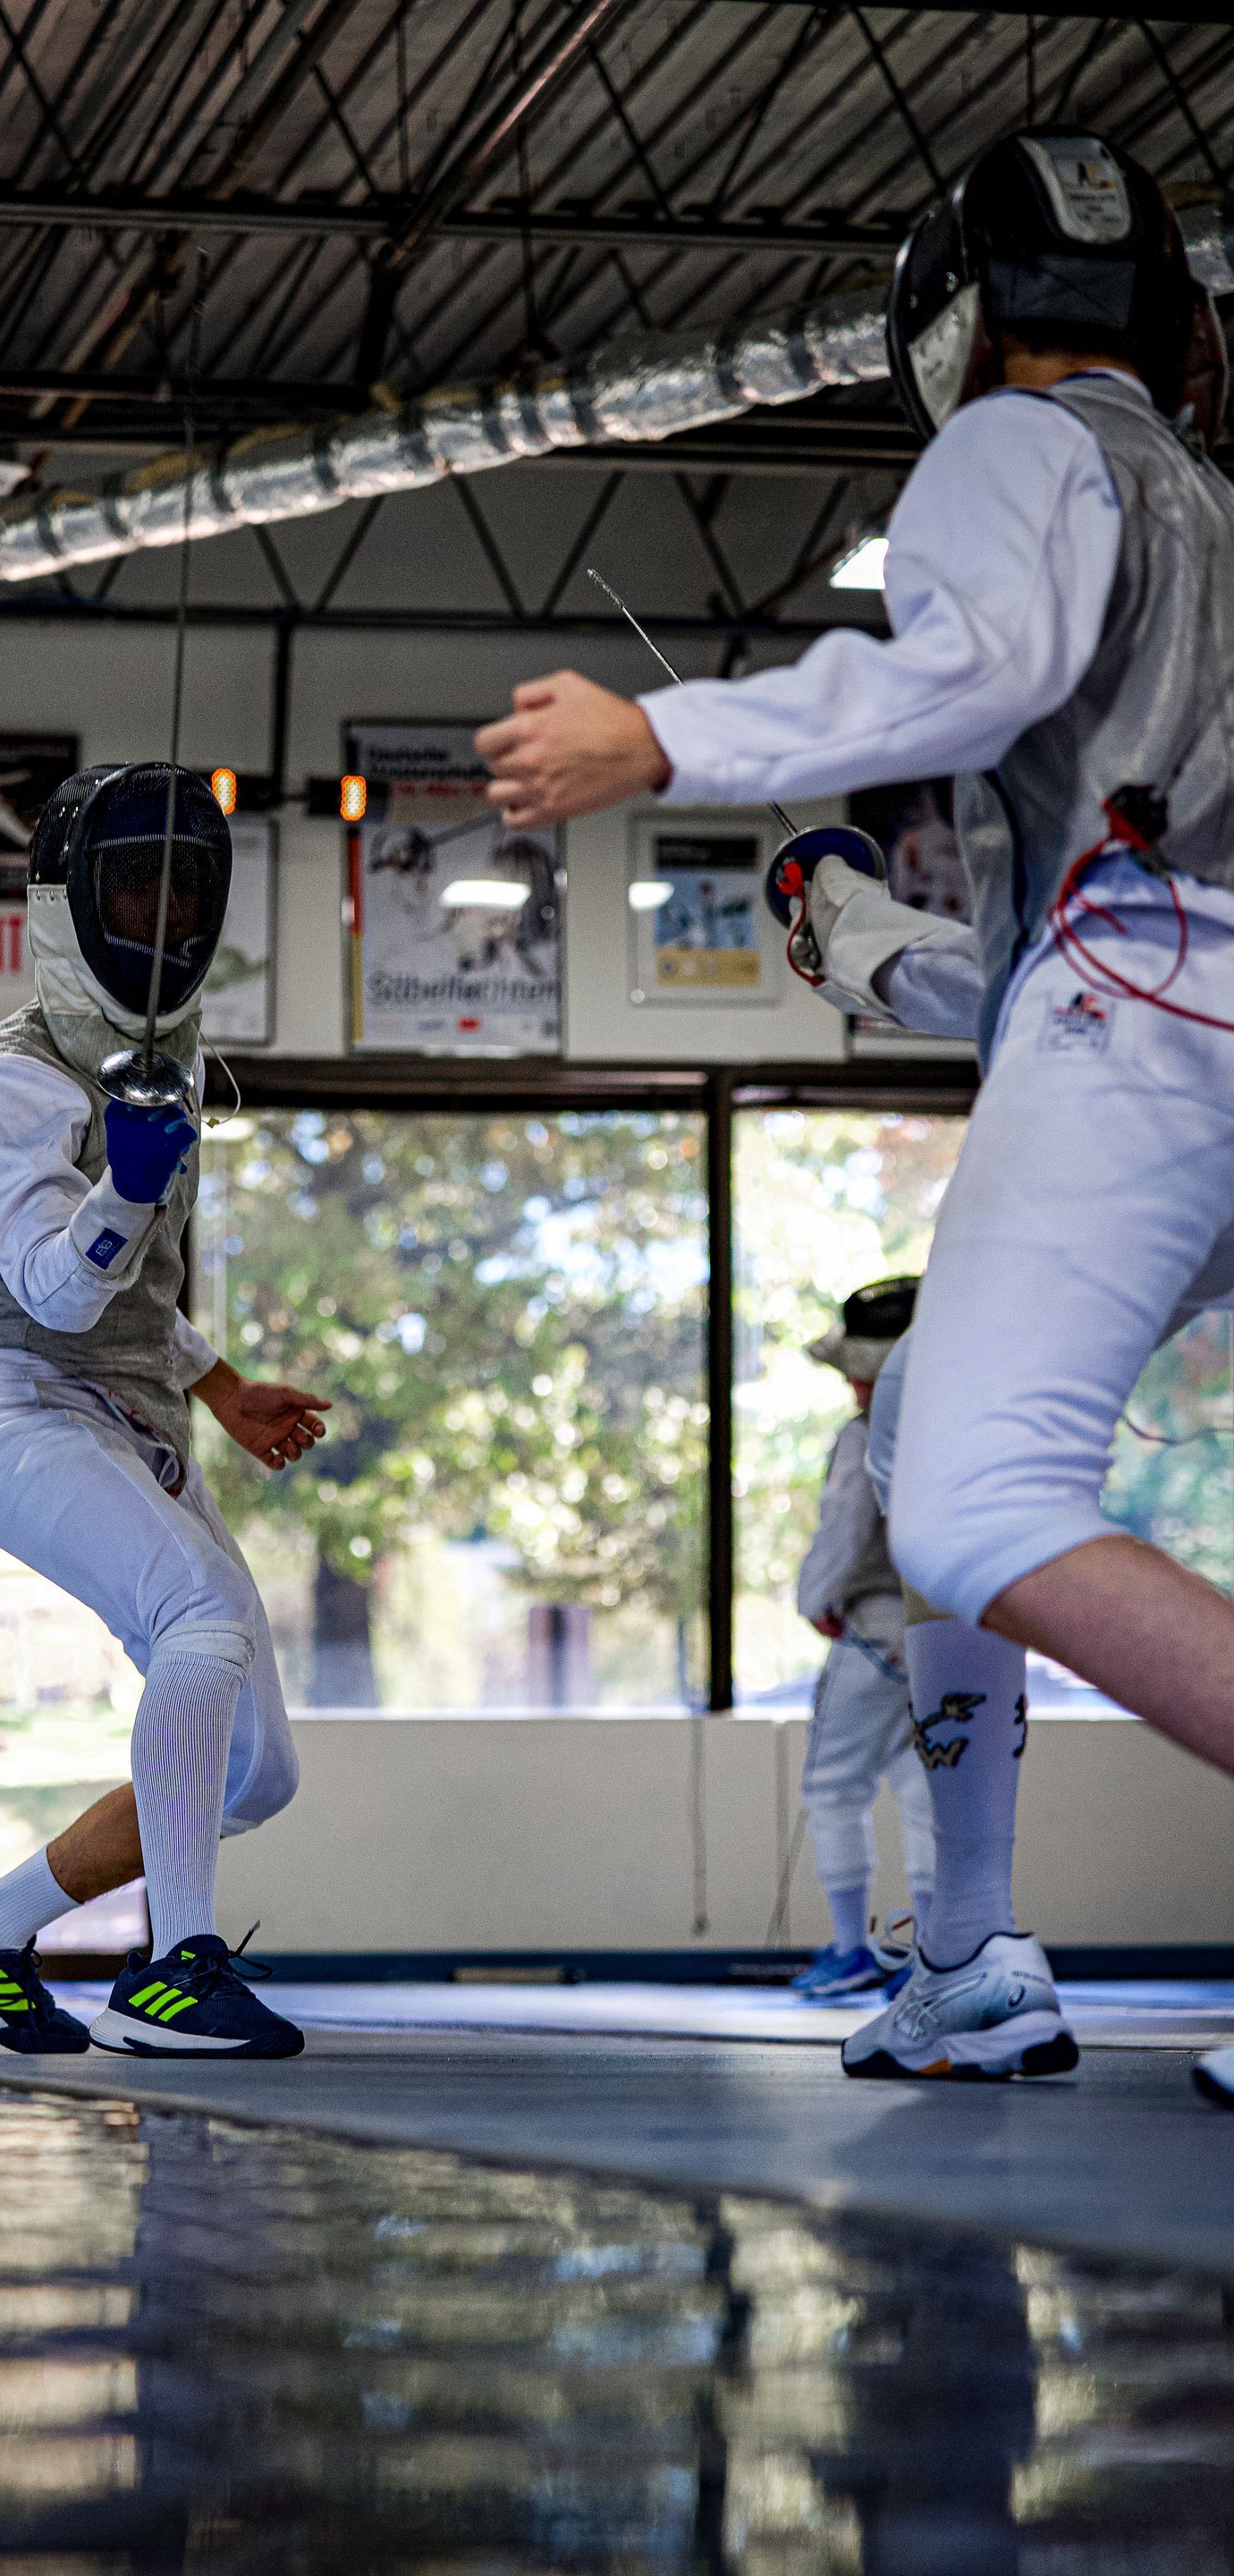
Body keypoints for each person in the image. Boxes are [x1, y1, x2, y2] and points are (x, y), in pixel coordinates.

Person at [476, 128, 1234, 2086]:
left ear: (960, 320)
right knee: (919, 1429)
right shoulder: (1211, 504)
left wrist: (666, 737)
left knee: (975, 1500)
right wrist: (877, 942)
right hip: (1166, 1011)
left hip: (1146, 1016)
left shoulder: (1017, 439)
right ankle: (966, 1951)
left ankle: (970, 1951)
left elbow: (983, 676)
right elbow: (1120, 925)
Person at [0, 762, 329, 2062]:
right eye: (138, 886)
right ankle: (171, 1973)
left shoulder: (165, 1060)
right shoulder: (5, 1082)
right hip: (23, 1412)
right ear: (68, 901)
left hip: (138, 1423)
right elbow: (54, 1292)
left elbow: (136, 1299)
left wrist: (224, 1389)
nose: (166, 913)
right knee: (200, 1621)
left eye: (186, 889)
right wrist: (125, 1189)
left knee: (254, 1773)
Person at [790, 1278, 934, 1999]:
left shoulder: (864, 1435)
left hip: (877, 1628)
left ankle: (852, 1949)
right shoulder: (954, 1431)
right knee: (925, 1785)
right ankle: (936, 1957)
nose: (853, 1385)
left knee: (832, 1787)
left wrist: (815, 1598)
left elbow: (844, 1528)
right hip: (949, 1631)